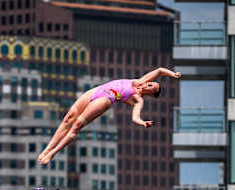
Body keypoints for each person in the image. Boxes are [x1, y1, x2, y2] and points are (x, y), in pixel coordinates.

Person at [38, 67, 181, 165]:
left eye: (152, 87)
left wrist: (142, 122)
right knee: (68, 118)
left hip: (106, 99)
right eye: (151, 83)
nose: (149, 84)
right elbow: (159, 70)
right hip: (98, 90)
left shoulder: (138, 99)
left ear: (150, 93)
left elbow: (135, 117)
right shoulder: (140, 81)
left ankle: (53, 153)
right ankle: (47, 149)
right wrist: (173, 74)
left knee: (76, 126)